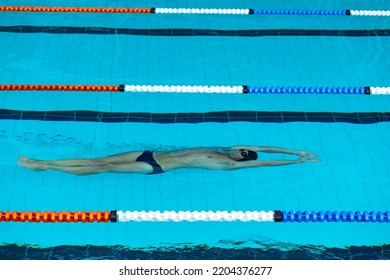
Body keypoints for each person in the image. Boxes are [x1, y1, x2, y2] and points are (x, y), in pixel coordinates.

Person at [17, 145, 319, 176]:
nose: (242, 152)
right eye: (243, 151)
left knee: (104, 168)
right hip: (147, 153)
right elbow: (262, 148)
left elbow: (264, 161)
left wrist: (296, 163)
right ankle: (45, 160)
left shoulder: (229, 165)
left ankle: (45, 166)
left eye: (244, 155)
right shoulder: (227, 148)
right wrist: (295, 151)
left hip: (156, 166)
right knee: (98, 159)